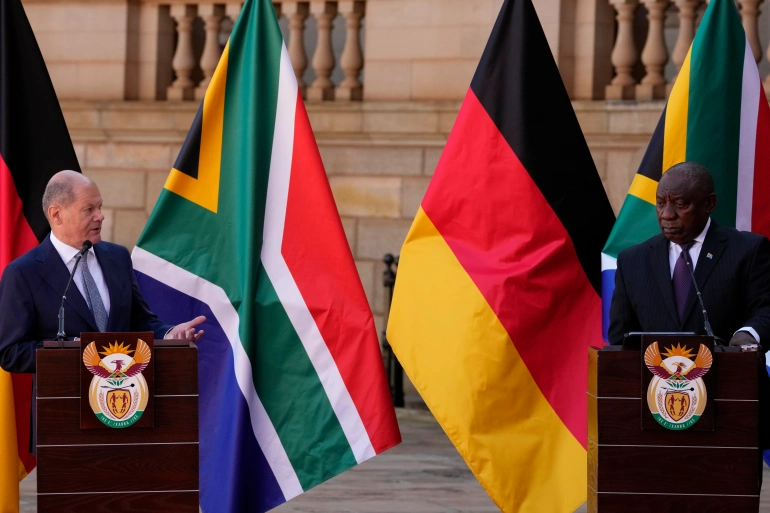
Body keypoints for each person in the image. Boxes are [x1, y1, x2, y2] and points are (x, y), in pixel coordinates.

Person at [0, 170, 205, 374]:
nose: (100, 216)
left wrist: (170, 334)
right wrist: (68, 351)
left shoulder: (117, 257)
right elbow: (10, 352)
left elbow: (139, 321)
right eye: (89, 209)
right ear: (56, 214)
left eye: (99, 207)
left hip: (125, 394)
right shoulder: (24, 273)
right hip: (65, 399)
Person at [608, 162, 770, 346]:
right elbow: (620, 339)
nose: (667, 214)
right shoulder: (632, 261)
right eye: (660, 203)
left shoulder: (748, 250)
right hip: (655, 374)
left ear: (709, 204)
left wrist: (748, 335)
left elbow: (765, 309)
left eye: (680, 204)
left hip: (728, 371)